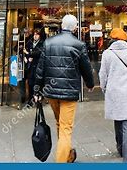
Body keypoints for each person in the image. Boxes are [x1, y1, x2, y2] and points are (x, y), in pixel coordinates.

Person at [34, 14, 95, 163]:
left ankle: (67, 155)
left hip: (51, 92)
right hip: (69, 92)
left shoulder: (48, 42)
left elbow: (40, 69)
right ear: (75, 28)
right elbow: (86, 68)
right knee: (66, 128)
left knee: (59, 124)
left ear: (62, 26)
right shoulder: (79, 44)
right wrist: (90, 84)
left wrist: (37, 90)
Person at [99, 28, 127, 163]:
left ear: (112, 39)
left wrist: (104, 88)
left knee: (118, 120)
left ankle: (120, 149)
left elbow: (102, 74)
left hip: (114, 91)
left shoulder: (107, 54)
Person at [25, 28, 44, 104]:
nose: (35, 36)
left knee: (38, 82)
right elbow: (24, 50)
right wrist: (26, 57)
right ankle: (30, 99)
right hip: (30, 67)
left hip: (38, 66)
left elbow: (39, 53)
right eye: (34, 34)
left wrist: (28, 53)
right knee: (30, 82)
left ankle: (38, 98)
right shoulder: (30, 42)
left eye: (37, 34)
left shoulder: (42, 43)